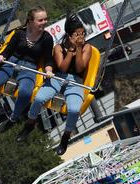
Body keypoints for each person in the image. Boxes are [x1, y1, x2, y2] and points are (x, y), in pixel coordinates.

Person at [17, 14, 92, 155]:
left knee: (74, 109)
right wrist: (70, 50)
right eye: (77, 34)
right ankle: (30, 123)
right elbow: (62, 67)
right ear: (70, 36)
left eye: (82, 33)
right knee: (39, 98)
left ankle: (66, 136)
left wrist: (78, 49)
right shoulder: (59, 47)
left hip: (75, 82)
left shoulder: (87, 48)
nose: (81, 36)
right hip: (58, 77)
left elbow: (80, 68)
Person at [0, 6, 54, 131]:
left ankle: (13, 118)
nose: (44, 22)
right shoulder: (19, 33)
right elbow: (8, 51)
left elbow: (48, 59)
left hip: (29, 68)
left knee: (25, 93)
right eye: (40, 20)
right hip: (11, 63)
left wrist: (49, 70)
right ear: (30, 21)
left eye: (46, 19)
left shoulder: (47, 38)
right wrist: (1, 56)